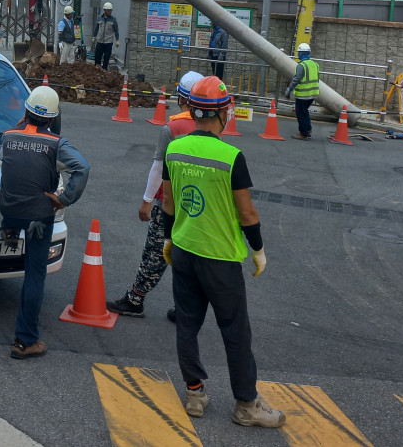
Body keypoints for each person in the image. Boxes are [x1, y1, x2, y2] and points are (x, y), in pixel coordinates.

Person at [161, 76, 285, 428]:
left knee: (187, 324)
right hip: (220, 258)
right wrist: (258, 249)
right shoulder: (232, 157)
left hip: (184, 249)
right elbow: (247, 213)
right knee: (235, 332)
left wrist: (170, 238)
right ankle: (247, 404)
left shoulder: (175, 148)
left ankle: (195, 394)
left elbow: (169, 202)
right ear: (223, 114)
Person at [0, 86, 90, 360]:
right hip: (38, 215)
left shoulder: (7, 136)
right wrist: (64, 198)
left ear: (25, 111)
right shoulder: (56, 144)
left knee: (9, 198)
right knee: (34, 275)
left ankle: (9, 228)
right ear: (52, 118)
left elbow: (13, 165)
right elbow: (82, 168)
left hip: (9, 208)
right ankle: (25, 341)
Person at [107, 71, 203, 322]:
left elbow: (159, 168)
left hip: (169, 201)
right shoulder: (211, 128)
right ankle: (187, 308)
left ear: (183, 97)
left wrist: (147, 200)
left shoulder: (172, 128)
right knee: (190, 255)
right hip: (197, 204)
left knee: (156, 251)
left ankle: (135, 300)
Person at [284, 42, 320, 140]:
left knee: (300, 113)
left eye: (299, 52)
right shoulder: (315, 64)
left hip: (303, 94)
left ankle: (303, 133)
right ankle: (308, 129)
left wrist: (289, 89)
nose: (298, 54)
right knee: (305, 112)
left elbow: (296, 79)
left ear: (302, 53)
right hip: (313, 94)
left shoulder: (302, 65)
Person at [92, 2, 119, 70]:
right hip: (100, 41)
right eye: (109, 10)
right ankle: (97, 70)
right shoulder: (99, 18)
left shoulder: (113, 19)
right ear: (105, 10)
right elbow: (96, 28)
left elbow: (116, 30)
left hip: (108, 42)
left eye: (111, 10)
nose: (110, 12)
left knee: (106, 58)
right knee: (97, 56)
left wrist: (117, 40)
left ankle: (104, 70)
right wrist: (94, 36)